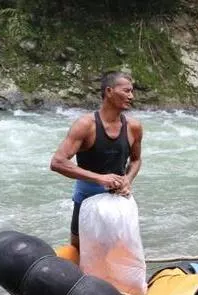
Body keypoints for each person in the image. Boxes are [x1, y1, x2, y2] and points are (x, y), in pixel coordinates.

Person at [50, 71, 143, 249]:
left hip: (118, 199)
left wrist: (127, 180)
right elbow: (57, 162)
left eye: (132, 91)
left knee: (119, 249)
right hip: (85, 198)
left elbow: (136, 160)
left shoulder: (134, 127)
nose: (131, 96)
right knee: (79, 248)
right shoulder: (85, 125)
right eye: (126, 91)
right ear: (109, 91)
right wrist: (100, 178)